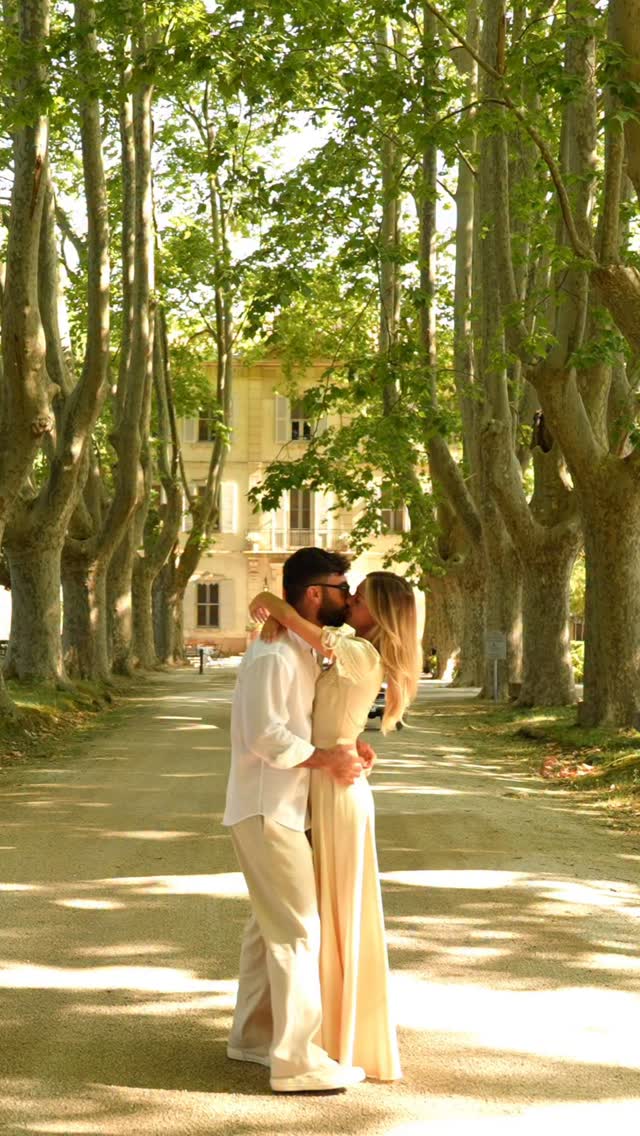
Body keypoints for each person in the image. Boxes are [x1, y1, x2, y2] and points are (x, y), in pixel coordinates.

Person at [249, 570, 420, 1082]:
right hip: (326, 786)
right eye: (349, 593)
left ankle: (335, 1041)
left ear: (379, 611)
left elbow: (294, 618)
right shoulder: (356, 651)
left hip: (336, 794)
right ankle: (317, 1036)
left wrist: (269, 599)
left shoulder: (359, 652)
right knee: (320, 910)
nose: (349, 602)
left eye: (358, 597)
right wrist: (350, 744)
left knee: (336, 913)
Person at [222, 547, 372, 1094]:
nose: (348, 597)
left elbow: (307, 718)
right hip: (268, 807)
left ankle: (254, 1038)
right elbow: (264, 735)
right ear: (314, 593)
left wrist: (345, 744)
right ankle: (297, 1062)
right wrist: (325, 759)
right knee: (298, 931)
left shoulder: (300, 647)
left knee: (268, 930)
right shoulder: (275, 654)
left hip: (280, 806)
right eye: (342, 587)